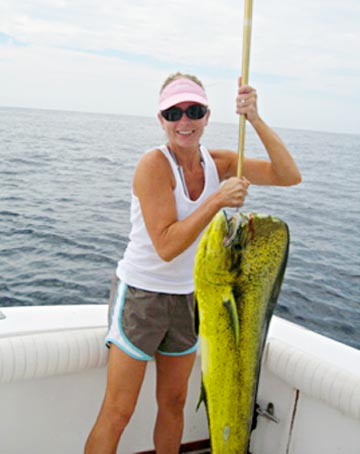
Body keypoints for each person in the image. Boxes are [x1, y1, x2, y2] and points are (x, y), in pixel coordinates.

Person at [84, 72, 301, 454]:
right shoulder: (153, 165)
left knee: (173, 405)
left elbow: (288, 175)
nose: (184, 121)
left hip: (190, 300)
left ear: (206, 116)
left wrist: (255, 119)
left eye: (194, 110)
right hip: (142, 298)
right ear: (161, 119)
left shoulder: (221, 162)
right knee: (119, 411)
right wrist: (216, 200)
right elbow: (167, 244)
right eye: (174, 113)